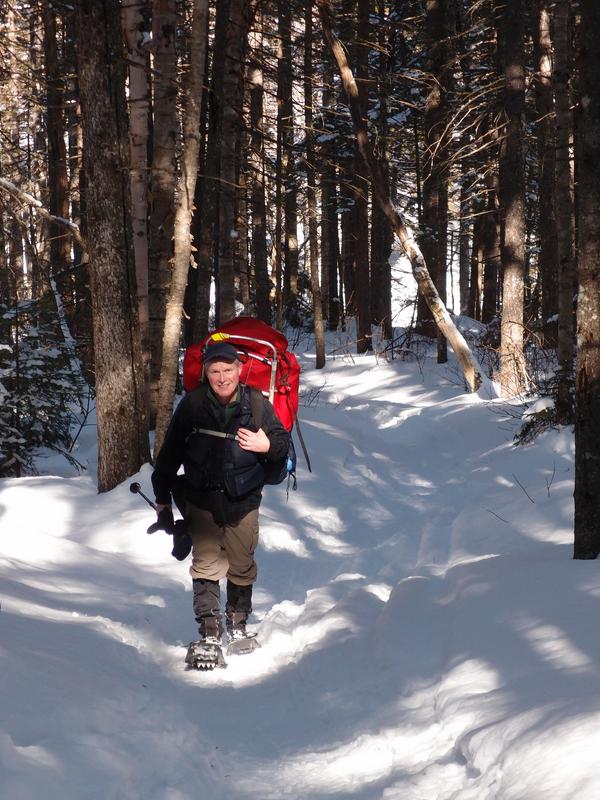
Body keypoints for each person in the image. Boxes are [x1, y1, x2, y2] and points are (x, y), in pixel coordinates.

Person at [150, 340, 290, 654]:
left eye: (228, 369)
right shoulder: (193, 404)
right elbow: (170, 454)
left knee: (241, 563)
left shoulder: (256, 403)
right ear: (206, 372)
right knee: (206, 564)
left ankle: (238, 627)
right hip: (201, 499)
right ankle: (209, 631)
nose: (222, 377)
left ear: (240, 370)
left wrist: (266, 446)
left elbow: (282, 442)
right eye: (215, 370)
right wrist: (162, 501)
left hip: (244, 500)